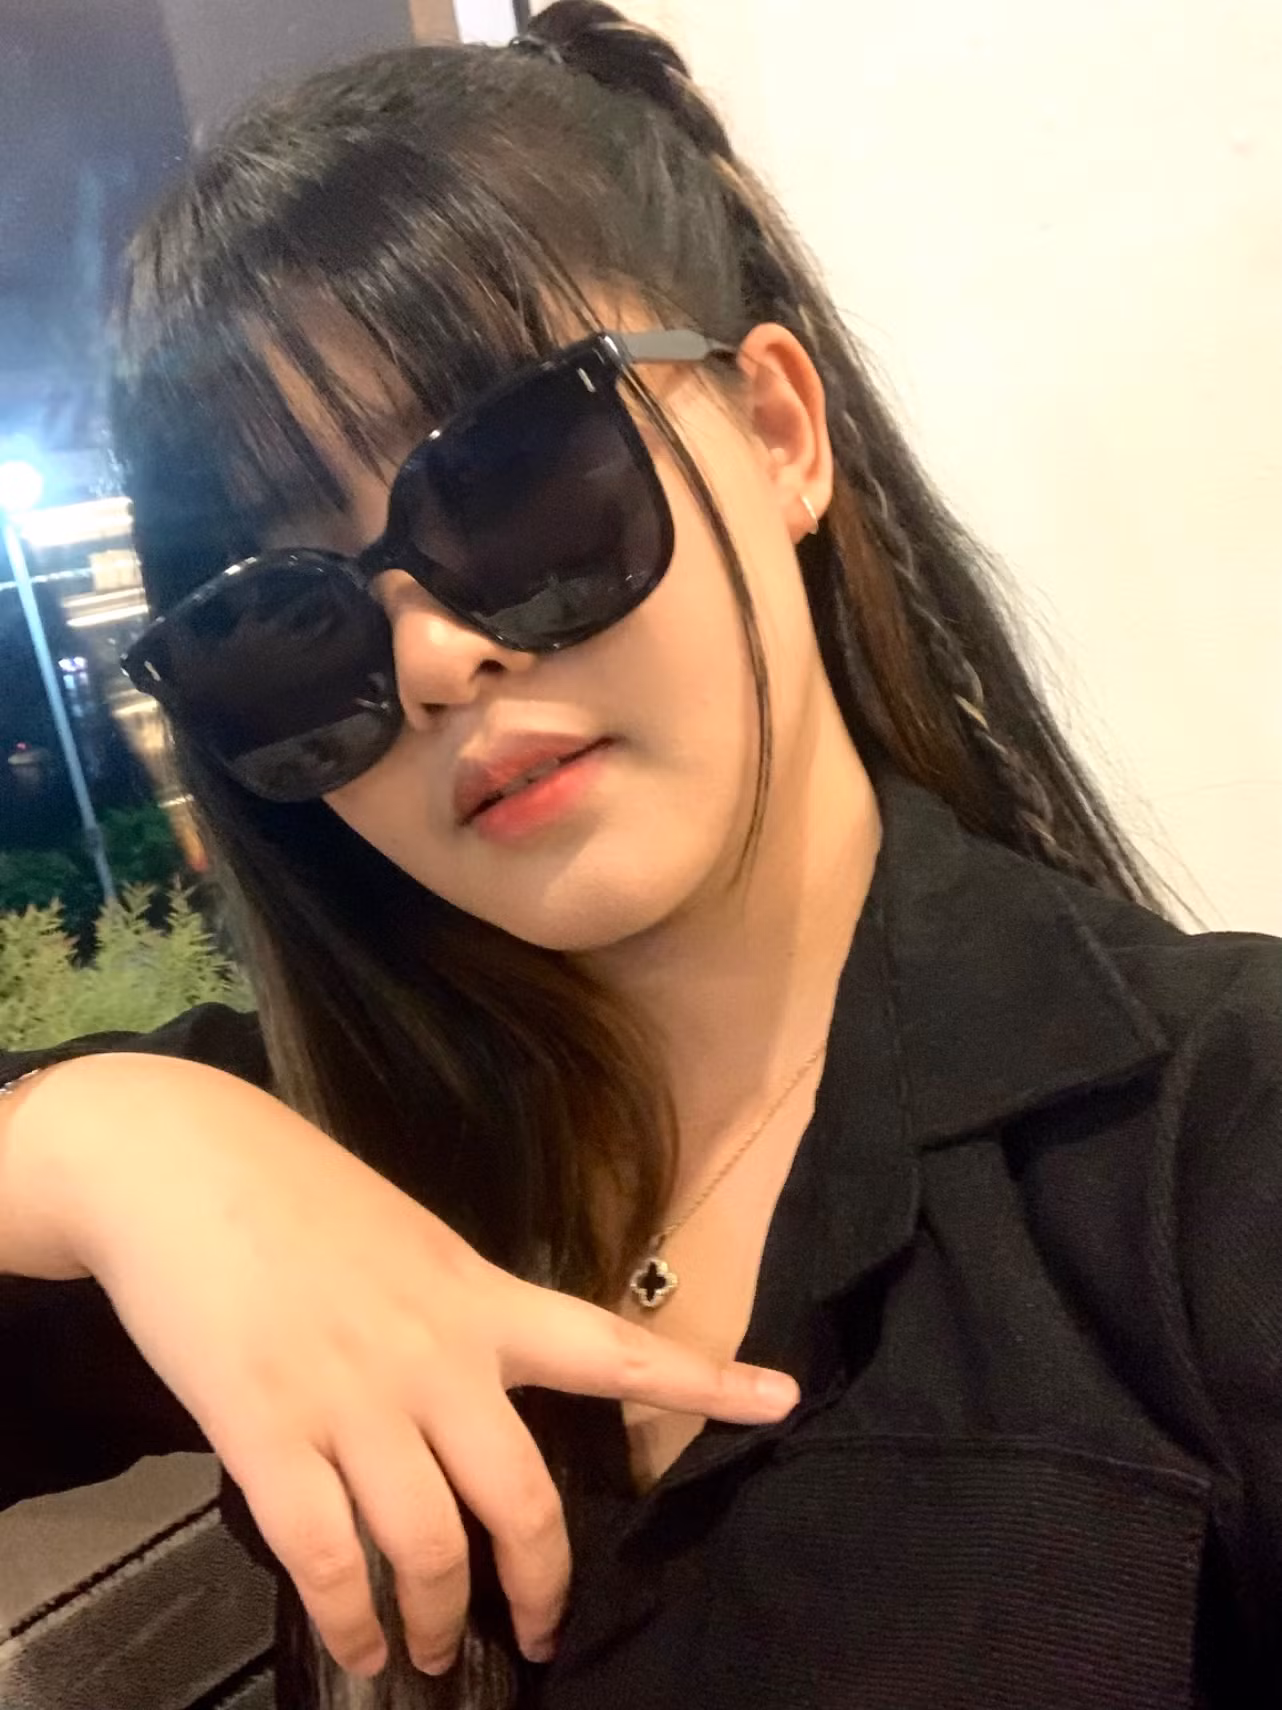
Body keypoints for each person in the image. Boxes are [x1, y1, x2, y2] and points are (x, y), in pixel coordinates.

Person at [1, 5, 1279, 1706]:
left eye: (515, 487)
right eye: (283, 624)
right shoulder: (313, 1177)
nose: (435, 656)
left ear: (778, 432)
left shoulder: (1211, 1147)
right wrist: (98, 1141)